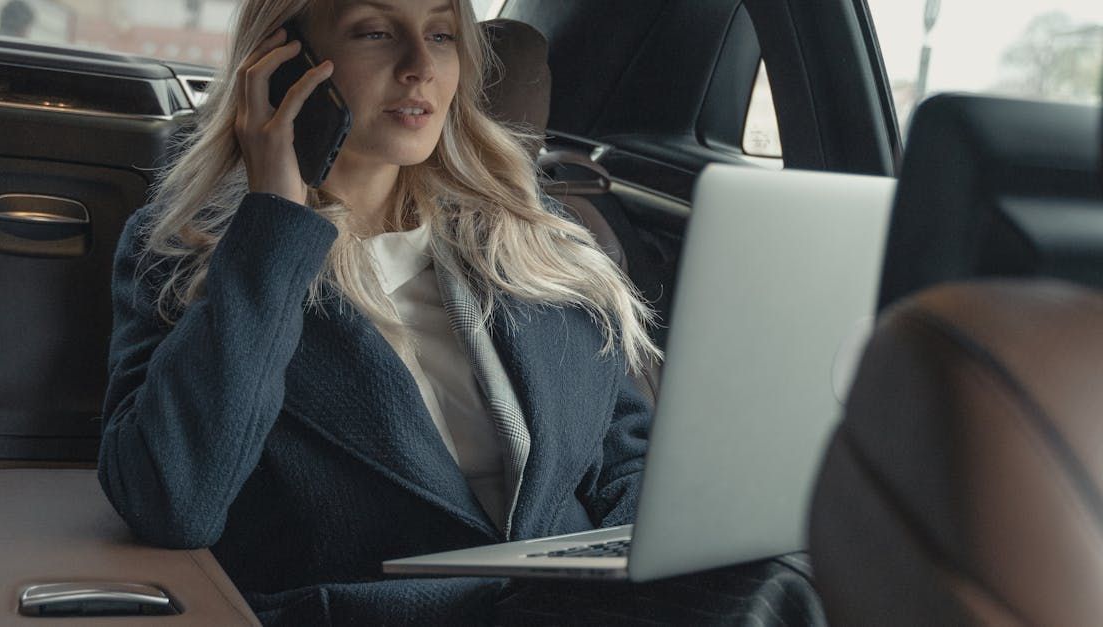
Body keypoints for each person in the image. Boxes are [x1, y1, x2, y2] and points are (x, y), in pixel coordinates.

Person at [97, 0, 826, 624]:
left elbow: (625, 461)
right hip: (383, 612)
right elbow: (173, 500)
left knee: (793, 565)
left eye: (442, 33)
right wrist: (274, 224)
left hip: (580, 608)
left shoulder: (534, 237)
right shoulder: (197, 251)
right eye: (375, 32)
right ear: (285, 63)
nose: (420, 66)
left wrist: (640, 560)